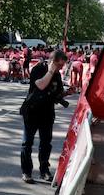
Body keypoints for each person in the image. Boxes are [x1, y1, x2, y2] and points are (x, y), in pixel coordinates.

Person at [20, 49, 69, 184]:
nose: (61, 68)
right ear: (53, 62)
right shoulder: (38, 69)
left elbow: (56, 93)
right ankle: (27, 172)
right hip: (32, 111)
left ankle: (44, 171)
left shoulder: (57, 75)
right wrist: (51, 71)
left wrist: (67, 93)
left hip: (47, 113)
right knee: (27, 143)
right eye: (59, 65)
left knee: (46, 144)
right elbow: (41, 85)